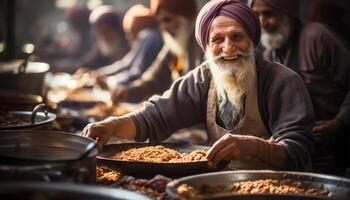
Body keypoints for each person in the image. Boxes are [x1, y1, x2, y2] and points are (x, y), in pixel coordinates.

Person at [82, 0, 315, 171]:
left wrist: (252, 146)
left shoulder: (283, 82)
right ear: (206, 46)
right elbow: (156, 117)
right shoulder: (203, 78)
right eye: (217, 40)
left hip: (278, 190)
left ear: (252, 41)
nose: (228, 48)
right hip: (221, 185)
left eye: (237, 37)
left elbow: (297, 151)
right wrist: (112, 125)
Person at [110, 0, 202, 104]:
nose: (163, 27)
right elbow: (155, 78)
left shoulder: (201, 45)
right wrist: (128, 90)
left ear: (187, 17)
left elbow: (194, 94)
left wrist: (159, 107)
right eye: (160, 22)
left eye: (168, 20)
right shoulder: (173, 46)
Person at [298, 0, 350, 174]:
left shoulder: (317, 37)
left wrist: (338, 122)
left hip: (339, 150)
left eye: (269, 14)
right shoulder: (271, 52)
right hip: (305, 156)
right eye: (257, 15)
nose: (263, 22)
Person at [86, 4, 164, 88]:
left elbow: (137, 73)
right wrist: (98, 73)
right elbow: (125, 63)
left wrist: (110, 81)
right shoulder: (146, 39)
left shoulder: (149, 37)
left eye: (131, 32)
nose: (128, 37)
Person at [249, 0, 302, 73]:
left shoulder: (313, 39)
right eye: (256, 15)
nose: (261, 23)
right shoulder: (268, 55)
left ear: (287, 14)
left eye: (269, 14)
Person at [79, 5, 130, 70]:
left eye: (107, 31)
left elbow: (125, 65)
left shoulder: (126, 43)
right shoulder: (100, 43)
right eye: (101, 32)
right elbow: (91, 60)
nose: (105, 35)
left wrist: (101, 72)